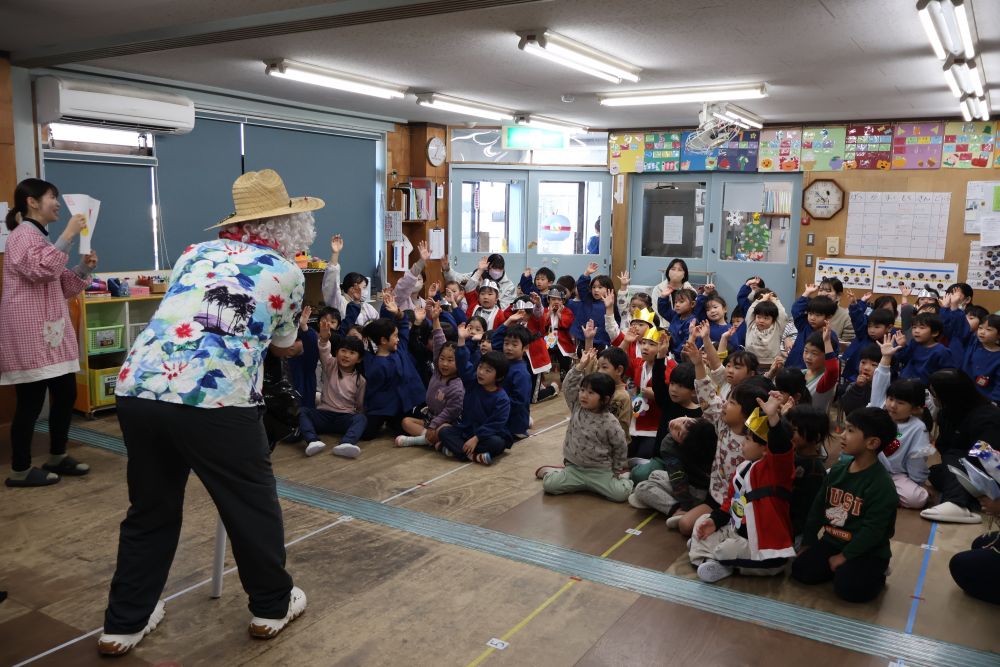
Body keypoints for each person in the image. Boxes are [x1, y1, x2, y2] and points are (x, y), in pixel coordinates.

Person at [104, 170, 314, 655]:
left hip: (140, 386)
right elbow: (283, 346)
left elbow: (186, 314)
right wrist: (293, 338)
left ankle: (123, 623)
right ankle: (271, 606)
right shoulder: (288, 274)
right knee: (250, 505)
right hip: (215, 397)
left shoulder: (194, 254)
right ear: (291, 225)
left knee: (150, 508)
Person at [1, 178, 98, 487]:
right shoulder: (20, 236)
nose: (57, 203)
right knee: (30, 403)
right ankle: (19, 470)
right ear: (32, 202)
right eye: (52, 197)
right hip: (30, 333)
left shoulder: (41, 239)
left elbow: (62, 284)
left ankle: (57, 455)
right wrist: (68, 235)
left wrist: (84, 268)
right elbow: (40, 271)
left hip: (51, 332)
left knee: (66, 393)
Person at [792, 407, 898, 603]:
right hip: (833, 541)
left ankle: (876, 572)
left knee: (851, 590)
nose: (842, 435)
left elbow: (873, 531)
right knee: (800, 570)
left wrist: (845, 556)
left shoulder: (882, 485)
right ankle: (843, 570)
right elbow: (817, 508)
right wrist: (808, 542)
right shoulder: (839, 469)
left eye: (850, 431)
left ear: (872, 443)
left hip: (868, 550)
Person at [688, 391, 796, 582]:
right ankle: (712, 560)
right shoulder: (743, 468)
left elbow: (781, 448)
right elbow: (730, 503)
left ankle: (707, 555)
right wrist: (714, 521)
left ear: (765, 449)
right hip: (735, 531)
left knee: (725, 549)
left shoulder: (776, 471)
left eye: (748, 440)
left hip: (763, 546)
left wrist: (772, 417)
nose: (742, 444)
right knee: (702, 521)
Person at [676, 335, 770, 536]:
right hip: (716, 497)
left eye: (732, 403)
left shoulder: (756, 439)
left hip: (742, 503)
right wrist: (698, 363)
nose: (724, 404)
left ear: (747, 412)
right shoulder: (723, 423)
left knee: (713, 534)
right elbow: (707, 395)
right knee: (684, 525)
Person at [535, 347, 632, 501]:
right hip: (575, 468)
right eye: (582, 390)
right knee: (550, 486)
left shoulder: (610, 421)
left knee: (620, 495)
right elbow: (568, 386)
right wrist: (579, 366)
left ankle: (623, 478)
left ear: (605, 399)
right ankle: (555, 473)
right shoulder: (577, 407)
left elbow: (620, 446)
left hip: (600, 471)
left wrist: (616, 471)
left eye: (591, 393)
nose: (584, 395)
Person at [922, 369, 1000, 523]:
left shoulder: (988, 417)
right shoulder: (947, 412)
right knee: (934, 472)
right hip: (961, 468)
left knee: (954, 457)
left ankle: (958, 504)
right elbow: (943, 445)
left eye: (934, 393)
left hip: (990, 472)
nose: (932, 397)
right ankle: (975, 499)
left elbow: (989, 458)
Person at [868, 334, 932, 508]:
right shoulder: (878, 410)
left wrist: (917, 482)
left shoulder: (918, 428)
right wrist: (886, 357)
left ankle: (873, 492)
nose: (893, 405)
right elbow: (880, 382)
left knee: (917, 498)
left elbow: (916, 459)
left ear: (916, 408)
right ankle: (874, 491)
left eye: (901, 403)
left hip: (895, 475)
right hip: (866, 466)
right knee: (832, 475)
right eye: (890, 399)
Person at [359, 292, 426, 443]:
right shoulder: (373, 362)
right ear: (383, 341)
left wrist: (398, 313)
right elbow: (373, 391)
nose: (398, 338)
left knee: (404, 426)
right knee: (366, 434)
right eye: (394, 336)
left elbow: (403, 327)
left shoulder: (400, 348)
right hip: (383, 407)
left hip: (407, 404)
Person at [396, 301, 464, 447]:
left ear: (459, 363)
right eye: (442, 359)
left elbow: (451, 412)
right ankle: (432, 441)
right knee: (406, 422)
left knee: (443, 430)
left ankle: (422, 441)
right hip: (431, 417)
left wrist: (434, 425)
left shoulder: (457, 385)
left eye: (450, 360)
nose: (444, 364)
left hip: (447, 422)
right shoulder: (438, 372)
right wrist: (435, 319)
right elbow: (439, 341)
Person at [628, 416, 717, 517]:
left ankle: (677, 511)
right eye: (684, 422)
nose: (676, 425)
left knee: (641, 488)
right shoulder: (700, 429)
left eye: (679, 434)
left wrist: (685, 507)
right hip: (692, 484)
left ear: (682, 444)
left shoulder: (685, 446)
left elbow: (678, 478)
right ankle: (663, 501)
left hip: (699, 492)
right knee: (655, 474)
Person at [299, 330, 367, 457]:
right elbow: (324, 352)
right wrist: (324, 340)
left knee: (361, 418)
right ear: (337, 352)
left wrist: (358, 414)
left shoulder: (360, 380)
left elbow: (359, 404)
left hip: (344, 418)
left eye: (352, 353)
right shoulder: (331, 365)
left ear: (359, 359)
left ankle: (347, 443)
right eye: (343, 351)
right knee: (303, 411)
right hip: (324, 415)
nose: (346, 355)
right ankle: (312, 441)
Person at [439, 349, 511, 465]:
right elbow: (463, 365)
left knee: (497, 443)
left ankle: (457, 451)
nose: (481, 372)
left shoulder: (502, 399)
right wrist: (461, 343)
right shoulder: (473, 383)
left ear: (498, 377)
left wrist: (477, 438)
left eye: (488, 370)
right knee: (444, 432)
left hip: (486, 436)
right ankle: (473, 456)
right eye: (480, 367)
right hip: (467, 430)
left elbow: (496, 423)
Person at [786, 405, 831, 543]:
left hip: (796, 532)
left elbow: (810, 511)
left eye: (794, 431)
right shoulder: (792, 454)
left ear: (815, 437)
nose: (789, 434)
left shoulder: (814, 471)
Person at [322, 234, 378, 329]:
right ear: (353, 288)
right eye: (363, 287)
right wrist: (335, 254)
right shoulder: (340, 302)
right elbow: (331, 285)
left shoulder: (367, 307)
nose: (365, 291)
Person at [786, 284, 839, 369]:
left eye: (817, 315)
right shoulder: (804, 325)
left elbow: (831, 357)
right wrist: (807, 293)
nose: (812, 318)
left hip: (813, 373)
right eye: (810, 314)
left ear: (828, 317)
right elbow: (796, 310)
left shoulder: (829, 335)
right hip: (792, 368)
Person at [894, 314, 953, 383]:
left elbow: (947, 374)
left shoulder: (941, 351)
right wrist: (902, 346)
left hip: (924, 387)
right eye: (914, 327)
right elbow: (903, 359)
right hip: (905, 382)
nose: (916, 331)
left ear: (935, 333)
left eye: (922, 328)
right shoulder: (914, 343)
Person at [444, 253, 516, 308]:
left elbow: (505, 309)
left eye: (499, 269)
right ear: (488, 268)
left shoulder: (509, 286)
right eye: (494, 268)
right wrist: (447, 270)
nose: (496, 271)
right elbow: (459, 280)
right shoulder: (480, 275)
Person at [572, 263, 618, 349]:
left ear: (608, 289)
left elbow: (615, 321)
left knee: (600, 359)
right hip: (584, 337)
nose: (596, 290)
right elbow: (581, 286)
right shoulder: (587, 299)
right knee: (583, 357)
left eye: (600, 287)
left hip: (602, 339)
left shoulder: (611, 304)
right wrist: (587, 273)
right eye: (593, 287)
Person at [800, 326, 840, 413]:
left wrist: (827, 342)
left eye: (814, 353)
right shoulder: (801, 373)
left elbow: (832, 370)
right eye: (806, 351)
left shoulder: (825, 380)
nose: (808, 357)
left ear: (826, 356)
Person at [816, 277, 855, 343]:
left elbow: (847, 344)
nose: (823, 293)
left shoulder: (846, 317)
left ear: (838, 296)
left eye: (828, 291)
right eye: (820, 290)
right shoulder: (811, 311)